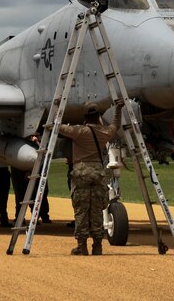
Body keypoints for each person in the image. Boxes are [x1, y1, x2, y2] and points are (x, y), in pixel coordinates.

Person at [59, 101, 121, 256]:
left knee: (81, 210)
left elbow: (57, 127)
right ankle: (98, 246)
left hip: (81, 172)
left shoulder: (79, 131)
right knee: (97, 210)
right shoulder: (104, 133)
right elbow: (115, 125)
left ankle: (82, 246)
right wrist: (118, 109)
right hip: (98, 173)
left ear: (85, 117)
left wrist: (56, 109)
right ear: (98, 116)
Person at [10, 134, 50, 224]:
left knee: (33, 194)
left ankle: (36, 216)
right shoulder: (21, 144)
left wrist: (36, 142)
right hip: (20, 173)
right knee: (20, 195)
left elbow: (44, 154)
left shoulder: (35, 144)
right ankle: (20, 217)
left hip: (31, 172)